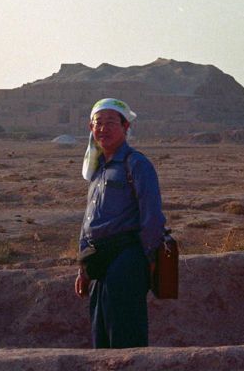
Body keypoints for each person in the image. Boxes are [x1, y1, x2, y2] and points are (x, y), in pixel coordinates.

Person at [75, 98, 166, 348]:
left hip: (127, 258)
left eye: (111, 122)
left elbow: (152, 216)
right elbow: (89, 221)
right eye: (98, 123)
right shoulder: (97, 169)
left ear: (126, 127)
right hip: (98, 261)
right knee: (101, 336)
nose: (103, 128)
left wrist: (150, 260)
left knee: (126, 335)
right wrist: (83, 267)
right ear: (90, 128)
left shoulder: (137, 164)